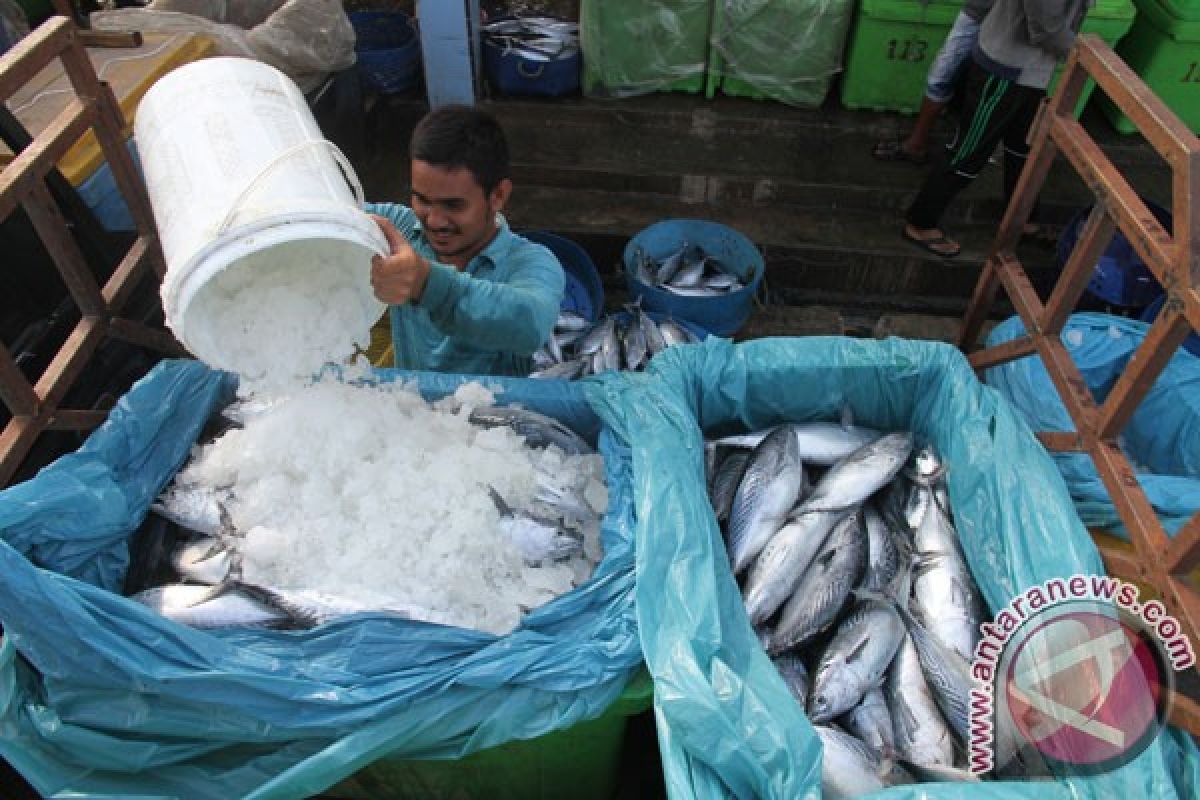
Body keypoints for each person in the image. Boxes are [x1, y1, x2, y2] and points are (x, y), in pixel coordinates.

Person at [366, 106, 564, 376]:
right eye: (422, 200)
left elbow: (530, 324)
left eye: (453, 205)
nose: (434, 221)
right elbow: (326, 215)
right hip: (407, 412)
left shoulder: (531, 262)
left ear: (498, 195)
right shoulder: (397, 230)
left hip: (496, 416)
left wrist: (426, 283)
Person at [902, 0, 1091, 257]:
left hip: (1031, 72)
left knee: (1023, 149)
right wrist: (1088, 56)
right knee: (968, 152)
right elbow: (1046, 29)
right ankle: (920, 222)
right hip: (1004, 72)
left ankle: (1023, 220)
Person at [872, 0, 995, 165]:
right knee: (940, 78)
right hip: (978, 12)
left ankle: (979, 154)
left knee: (992, 89)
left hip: (1013, 26)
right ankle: (917, 145)